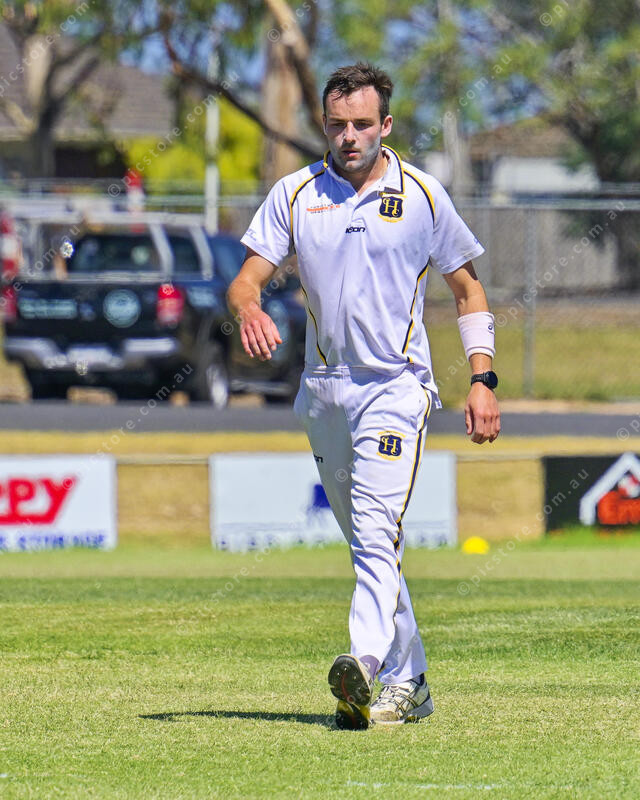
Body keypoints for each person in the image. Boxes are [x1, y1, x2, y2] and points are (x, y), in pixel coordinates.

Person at [227, 63, 500, 730]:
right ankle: (413, 683)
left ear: (386, 125)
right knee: (368, 546)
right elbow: (244, 280)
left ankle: (365, 663)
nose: (348, 136)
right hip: (323, 391)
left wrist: (482, 378)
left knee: (377, 533)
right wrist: (248, 308)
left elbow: (468, 291)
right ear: (324, 126)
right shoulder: (295, 193)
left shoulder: (423, 195)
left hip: (396, 388)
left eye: (361, 124)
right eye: (336, 125)